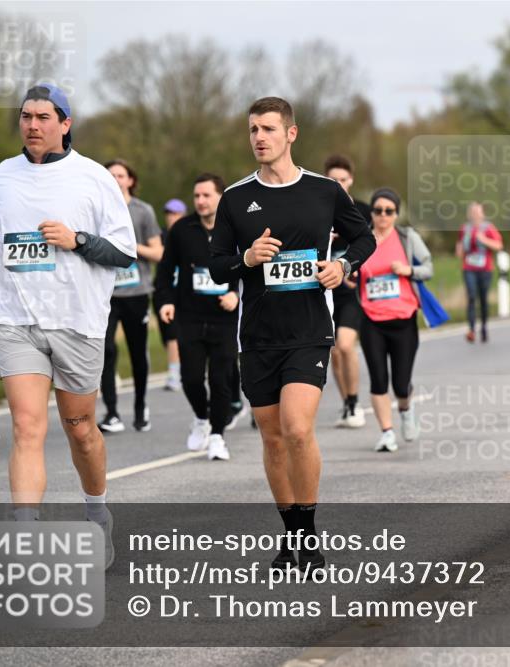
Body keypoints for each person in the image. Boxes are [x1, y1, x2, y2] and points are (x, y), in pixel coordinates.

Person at [0, 84, 137, 567]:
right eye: (25, 116)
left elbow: (123, 252)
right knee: (27, 427)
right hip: (17, 317)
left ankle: (97, 512)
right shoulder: (2, 175)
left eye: (42, 117)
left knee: (79, 429)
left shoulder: (93, 178)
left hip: (76, 320)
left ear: (65, 123)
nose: (32, 124)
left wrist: (75, 239)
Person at [208, 97, 375, 571]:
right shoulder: (236, 199)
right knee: (274, 438)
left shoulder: (324, 192)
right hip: (257, 336)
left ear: (291, 134)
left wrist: (342, 265)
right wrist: (246, 259)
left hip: (309, 330)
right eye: (253, 130)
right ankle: (292, 536)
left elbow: (365, 238)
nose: (259, 137)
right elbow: (218, 266)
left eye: (267, 128)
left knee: (299, 429)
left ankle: (309, 533)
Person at [155, 174, 239, 460]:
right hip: (190, 316)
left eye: (207, 195)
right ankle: (202, 419)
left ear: (220, 197)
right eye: (197, 196)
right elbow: (165, 272)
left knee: (220, 379)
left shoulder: (237, 228)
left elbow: (251, 269)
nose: (201, 201)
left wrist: (236, 295)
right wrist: (165, 301)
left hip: (225, 318)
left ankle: (217, 436)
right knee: (190, 378)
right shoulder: (182, 229)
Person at [358, 188, 433, 453]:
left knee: (401, 384)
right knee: (378, 379)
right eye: (378, 210)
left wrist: (408, 270)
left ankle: (406, 407)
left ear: (396, 214)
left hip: (403, 318)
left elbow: (428, 268)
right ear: (372, 212)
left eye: (389, 211)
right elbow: (348, 266)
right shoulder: (362, 238)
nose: (383, 216)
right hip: (370, 318)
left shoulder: (407, 237)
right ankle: (387, 433)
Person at [98, 159, 163, 433]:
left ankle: (140, 406)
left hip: (137, 293)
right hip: (107, 293)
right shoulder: (97, 210)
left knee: (138, 353)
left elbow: (158, 253)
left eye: (120, 175)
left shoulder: (143, 211)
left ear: (130, 180)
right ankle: (112, 412)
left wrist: (129, 247)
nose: (115, 178)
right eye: (110, 175)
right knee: (106, 350)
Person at [323, 154, 371, 428]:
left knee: (344, 344)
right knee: (334, 351)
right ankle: (348, 402)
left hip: (352, 293)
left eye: (342, 180)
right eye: (333, 180)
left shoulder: (363, 212)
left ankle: (354, 402)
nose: (338, 184)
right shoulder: (317, 209)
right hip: (326, 292)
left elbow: (373, 245)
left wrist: (357, 269)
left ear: (350, 180)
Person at [456, 202, 503, 342]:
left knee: (483, 299)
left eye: (478, 212)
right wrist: (460, 250)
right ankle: (471, 329)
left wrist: (484, 240)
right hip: (469, 268)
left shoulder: (488, 228)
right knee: (471, 296)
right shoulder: (465, 228)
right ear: (469, 214)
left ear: (482, 214)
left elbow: (499, 246)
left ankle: (483, 327)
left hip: (485, 269)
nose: (475, 215)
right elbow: (459, 247)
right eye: (473, 212)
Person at [158, 198, 187, 391]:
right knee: (168, 335)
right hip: (167, 290)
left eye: (175, 213)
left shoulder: (190, 232)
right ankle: (177, 371)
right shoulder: (161, 236)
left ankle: (175, 374)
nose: (171, 216)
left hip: (186, 291)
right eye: (168, 213)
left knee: (177, 334)